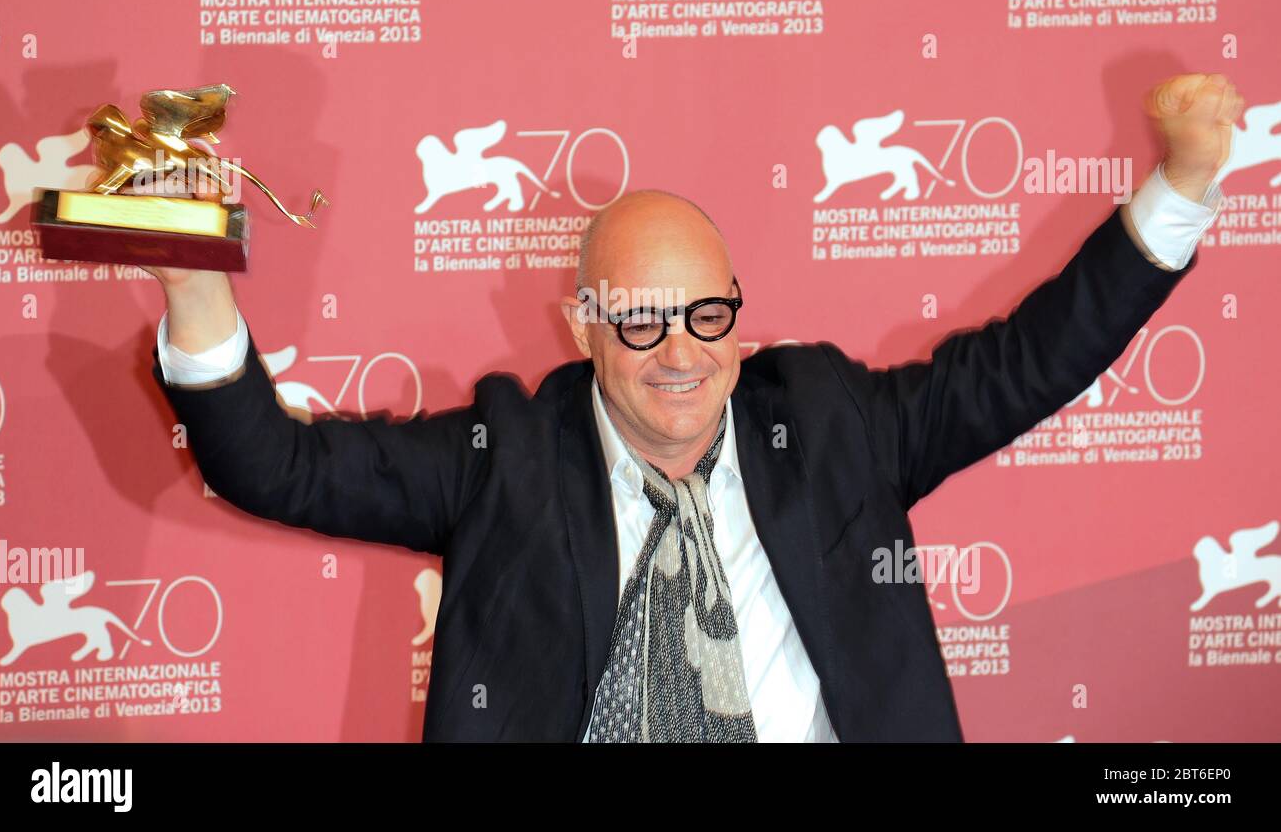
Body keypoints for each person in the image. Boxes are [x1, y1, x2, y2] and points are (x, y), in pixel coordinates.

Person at [145, 73, 1241, 741]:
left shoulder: (828, 422)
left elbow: (1026, 362)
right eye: (638, 319)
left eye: (707, 315)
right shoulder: (503, 456)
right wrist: (193, 280)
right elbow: (274, 466)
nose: (680, 353)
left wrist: (1180, 185)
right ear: (580, 324)